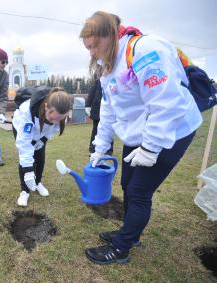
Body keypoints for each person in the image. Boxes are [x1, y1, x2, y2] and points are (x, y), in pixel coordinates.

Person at [79, 11, 202, 265]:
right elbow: (109, 111)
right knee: (126, 183)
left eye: (93, 46)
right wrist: (100, 148)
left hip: (171, 130)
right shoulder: (107, 67)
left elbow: (166, 103)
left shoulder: (145, 50)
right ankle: (130, 232)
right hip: (140, 131)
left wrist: (150, 148)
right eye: (88, 48)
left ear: (110, 35)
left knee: (139, 190)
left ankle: (121, 248)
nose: (91, 53)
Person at [12, 86, 72, 206]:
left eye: (59, 119)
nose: (55, 122)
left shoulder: (60, 113)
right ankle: (25, 191)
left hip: (41, 133)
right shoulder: (26, 113)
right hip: (23, 130)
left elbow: (54, 129)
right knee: (27, 157)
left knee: (40, 155)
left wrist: (43, 139)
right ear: (46, 108)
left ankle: (38, 182)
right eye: (52, 118)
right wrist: (28, 172)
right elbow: (24, 146)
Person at [85, 74, 113, 155]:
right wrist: (88, 105)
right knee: (96, 129)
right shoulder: (98, 79)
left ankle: (108, 150)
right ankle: (93, 148)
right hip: (97, 109)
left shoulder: (112, 79)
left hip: (109, 109)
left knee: (109, 128)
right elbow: (92, 92)